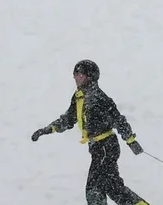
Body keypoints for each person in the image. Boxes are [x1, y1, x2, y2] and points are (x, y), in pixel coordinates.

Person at [31, 60, 149, 205]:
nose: (75, 78)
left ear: (90, 77)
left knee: (94, 190)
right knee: (114, 189)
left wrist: (131, 141)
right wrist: (49, 129)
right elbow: (69, 119)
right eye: (75, 74)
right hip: (98, 147)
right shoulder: (79, 97)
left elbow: (119, 120)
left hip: (106, 146)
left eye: (79, 74)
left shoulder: (100, 99)